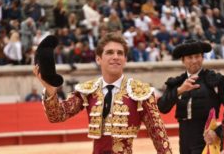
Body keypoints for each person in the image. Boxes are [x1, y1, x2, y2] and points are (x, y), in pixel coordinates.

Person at [33, 33, 172, 153]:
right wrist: (51, 92)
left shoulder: (140, 92)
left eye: (120, 53)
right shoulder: (87, 90)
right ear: (98, 59)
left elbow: (159, 135)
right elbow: (57, 115)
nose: (116, 57)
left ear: (125, 60)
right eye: (110, 52)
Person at [157, 39, 224, 154]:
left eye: (197, 56)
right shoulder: (177, 83)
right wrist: (180, 90)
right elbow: (162, 107)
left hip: (207, 137)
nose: (194, 61)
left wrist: (218, 132)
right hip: (184, 139)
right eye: (189, 57)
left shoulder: (215, 80)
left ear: (202, 57)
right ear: (183, 60)